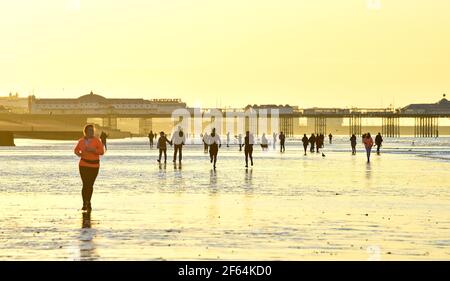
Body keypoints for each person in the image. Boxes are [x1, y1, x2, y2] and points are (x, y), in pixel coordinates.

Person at [74, 124, 105, 212]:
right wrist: (79, 153)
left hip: (94, 166)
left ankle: (89, 202)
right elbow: (76, 150)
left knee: (90, 185)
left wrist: (94, 150)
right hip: (83, 164)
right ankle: (85, 203)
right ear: (86, 131)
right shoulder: (81, 141)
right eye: (90, 130)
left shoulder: (97, 141)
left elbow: (102, 152)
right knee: (85, 184)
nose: (91, 132)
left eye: (92, 130)